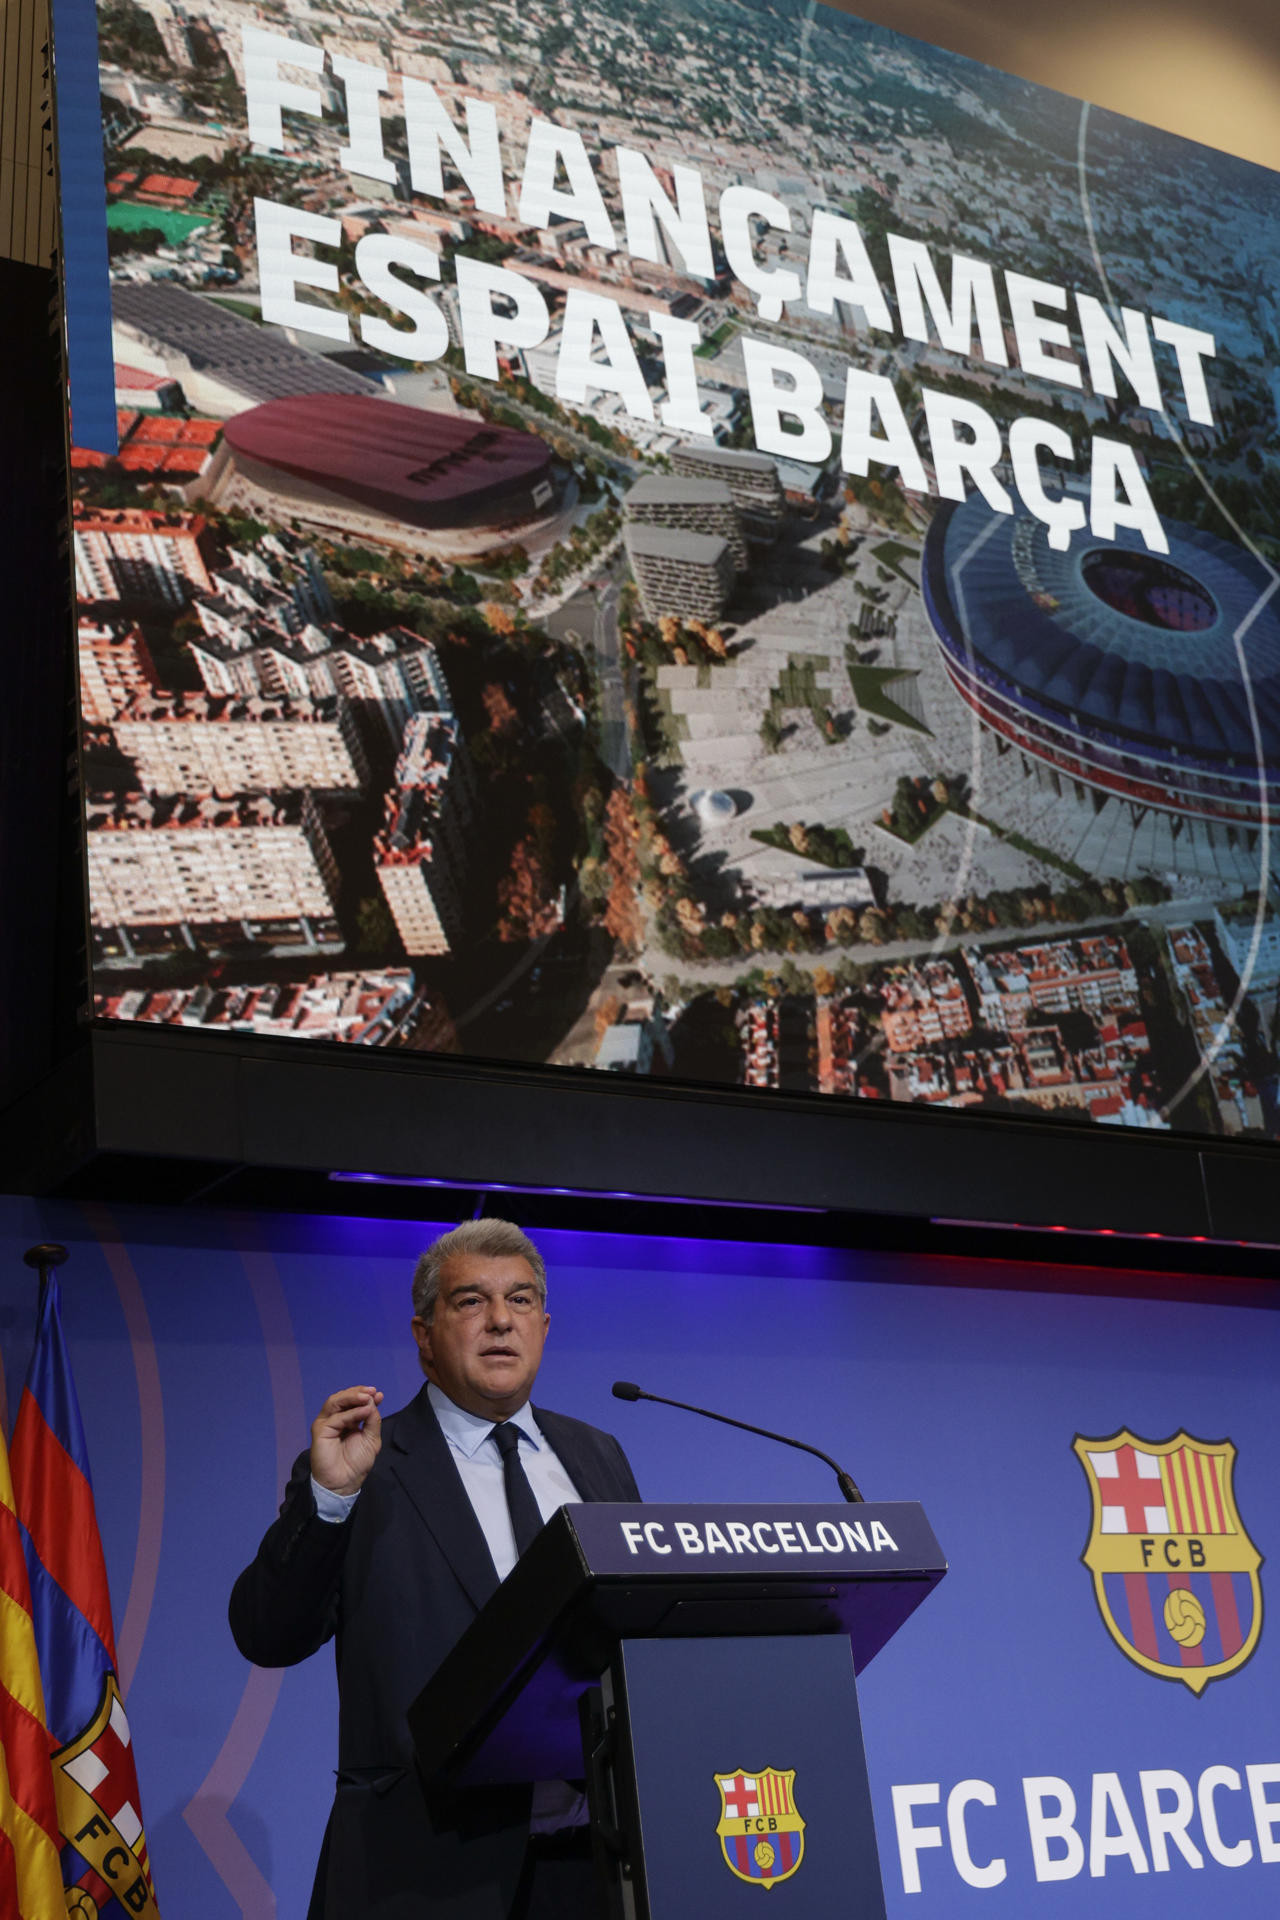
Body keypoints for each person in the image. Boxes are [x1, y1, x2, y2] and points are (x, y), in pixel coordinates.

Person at [229, 1218, 640, 1920]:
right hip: (424, 1873)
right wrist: (329, 1501)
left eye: (519, 1300)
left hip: (594, 1865)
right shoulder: (368, 1465)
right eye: (471, 1302)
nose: (500, 1322)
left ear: (545, 1324)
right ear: (424, 1335)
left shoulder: (596, 1454)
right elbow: (268, 1633)